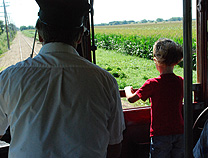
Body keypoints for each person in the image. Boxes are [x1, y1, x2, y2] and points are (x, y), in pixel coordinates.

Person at [0, 0, 125, 157]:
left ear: (39, 35)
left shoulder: (8, 77)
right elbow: (114, 143)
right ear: (80, 37)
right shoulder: (106, 81)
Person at [124, 38, 184, 158]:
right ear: (176, 61)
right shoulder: (181, 82)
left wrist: (127, 89)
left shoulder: (152, 84)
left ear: (156, 60)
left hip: (160, 133)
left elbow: (131, 99)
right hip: (180, 131)